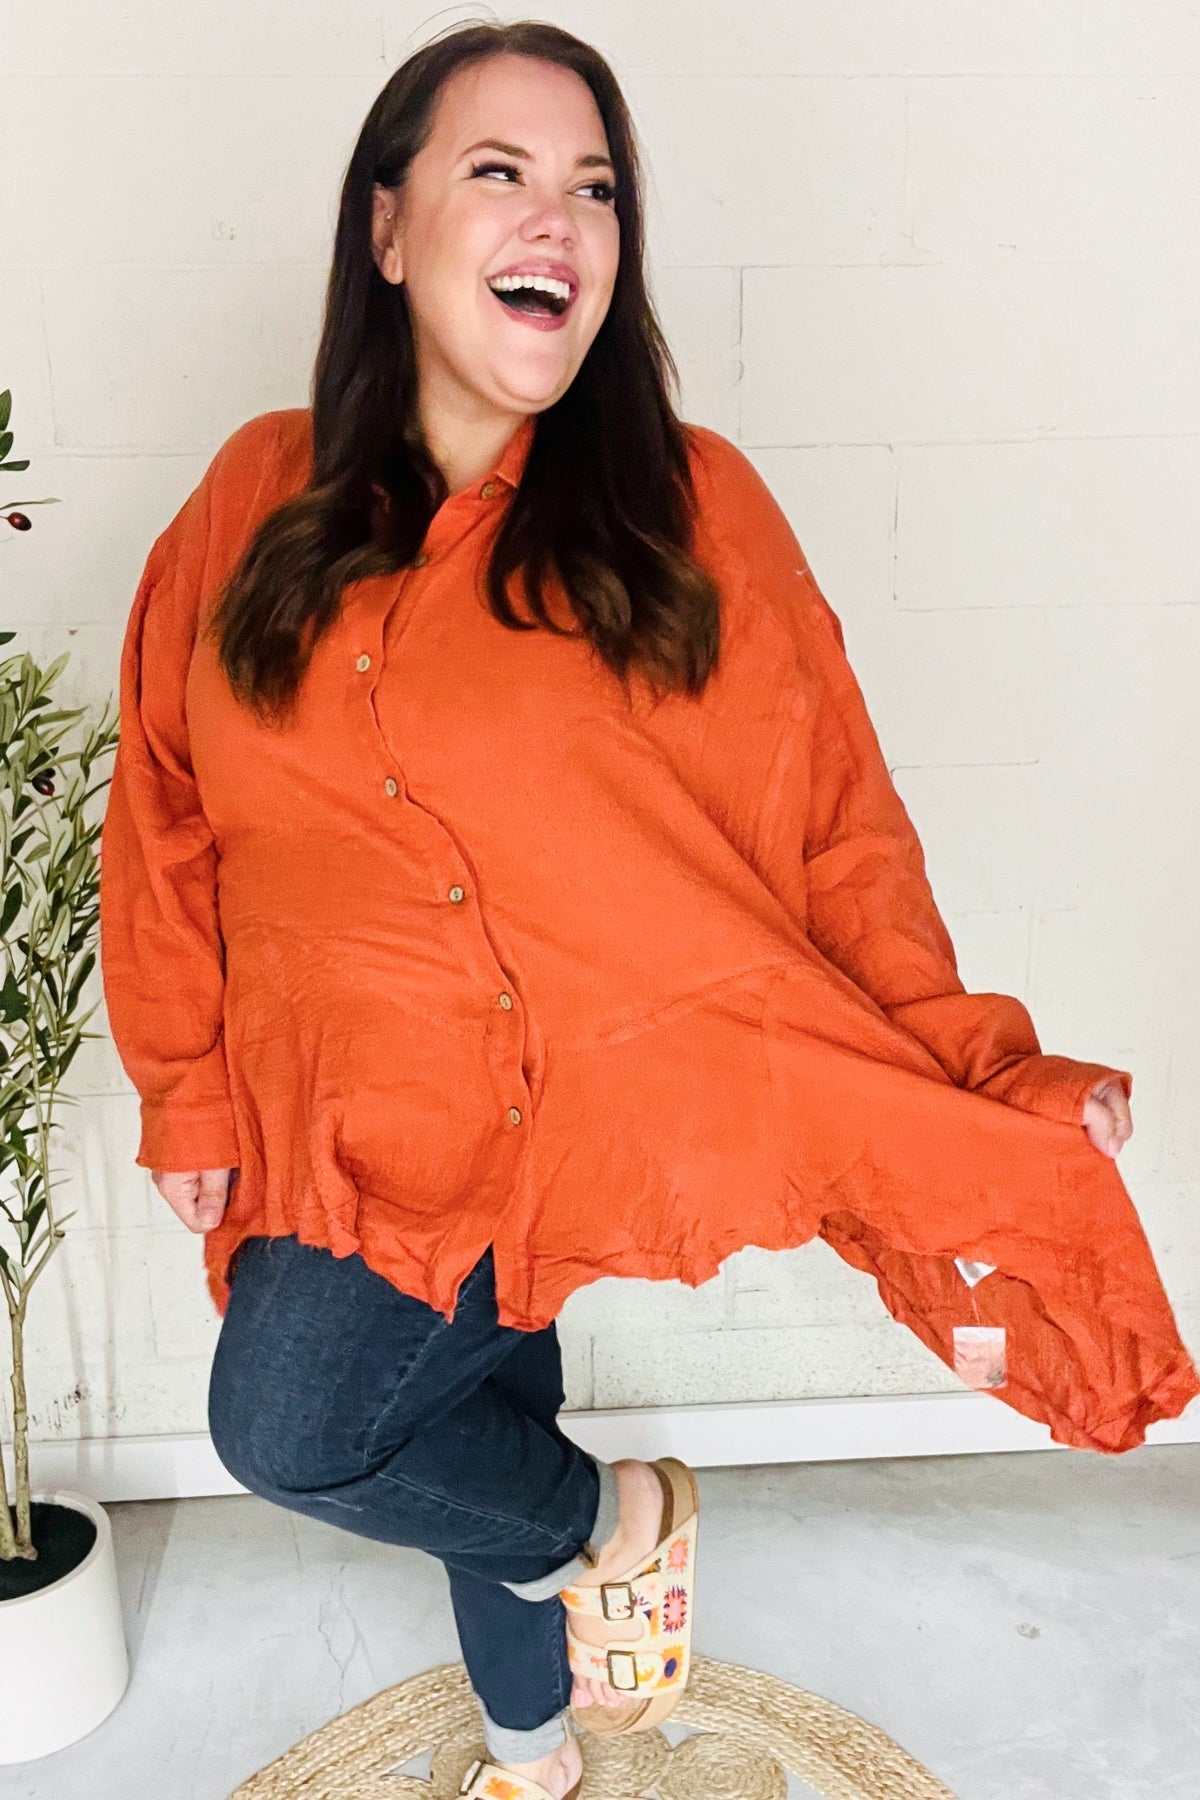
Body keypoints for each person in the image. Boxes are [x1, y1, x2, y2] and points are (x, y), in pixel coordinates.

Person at [97, 22, 1200, 1800]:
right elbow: (161, 803)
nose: (562, 219)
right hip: (338, 1111)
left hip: (563, 1111)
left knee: (292, 1427)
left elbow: (837, 835)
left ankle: (615, 1522)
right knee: (472, 1419)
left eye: (596, 187)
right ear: (387, 228)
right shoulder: (250, 495)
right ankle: (537, 1752)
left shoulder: (687, 509)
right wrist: (189, 1090)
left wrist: (984, 1076)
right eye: (501, 172)